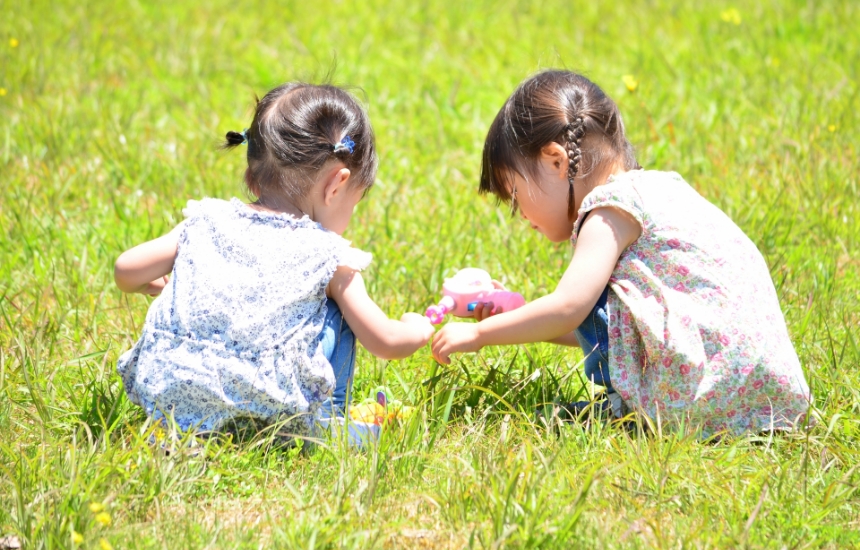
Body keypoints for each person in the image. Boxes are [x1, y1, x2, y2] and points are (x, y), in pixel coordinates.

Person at [431, 70, 811, 437]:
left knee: (585, 319)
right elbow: (611, 328)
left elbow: (568, 308)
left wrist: (480, 333)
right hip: (763, 392)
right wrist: (519, 317)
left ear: (556, 160)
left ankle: (631, 414)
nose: (521, 216)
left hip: (699, 398)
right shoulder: (662, 188)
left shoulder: (607, 209)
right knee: (605, 302)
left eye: (515, 196)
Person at [115, 82, 434, 439]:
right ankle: (331, 422)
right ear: (337, 185)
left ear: (253, 177)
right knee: (336, 309)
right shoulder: (328, 256)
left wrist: (177, 287)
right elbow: (386, 340)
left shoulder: (206, 221)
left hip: (168, 399)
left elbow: (126, 270)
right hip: (273, 417)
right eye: (354, 202)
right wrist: (418, 328)